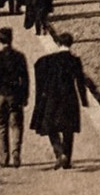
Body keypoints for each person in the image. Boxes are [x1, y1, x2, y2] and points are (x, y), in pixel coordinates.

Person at [31, 32, 88, 170]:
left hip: (53, 96)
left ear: (58, 43)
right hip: (69, 97)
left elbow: (37, 65)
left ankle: (59, 152)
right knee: (68, 129)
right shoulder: (75, 61)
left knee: (50, 126)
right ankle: (67, 160)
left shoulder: (49, 60)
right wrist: (84, 100)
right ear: (71, 43)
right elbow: (80, 82)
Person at [0, 27, 29, 167]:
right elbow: (25, 79)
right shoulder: (19, 57)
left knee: (1, 125)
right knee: (16, 125)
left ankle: (4, 157)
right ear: (11, 38)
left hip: (0, 95)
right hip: (15, 95)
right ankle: (16, 152)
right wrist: (25, 95)